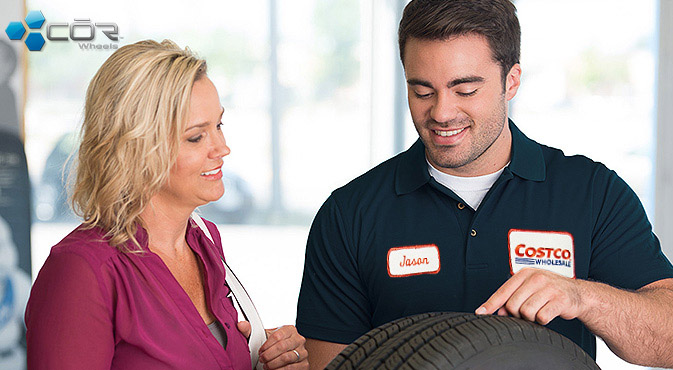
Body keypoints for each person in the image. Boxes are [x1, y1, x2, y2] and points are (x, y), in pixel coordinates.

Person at [295, 1, 673, 369]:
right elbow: (332, 364)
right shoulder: (350, 213)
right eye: (422, 91)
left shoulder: (592, 193)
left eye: (465, 90)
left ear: (511, 82)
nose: (441, 112)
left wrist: (583, 297)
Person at [25, 40, 308, 370]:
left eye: (218, 125)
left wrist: (266, 357)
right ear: (136, 148)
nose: (222, 148)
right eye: (195, 137)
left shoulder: (204, 241)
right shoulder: (81, 270)